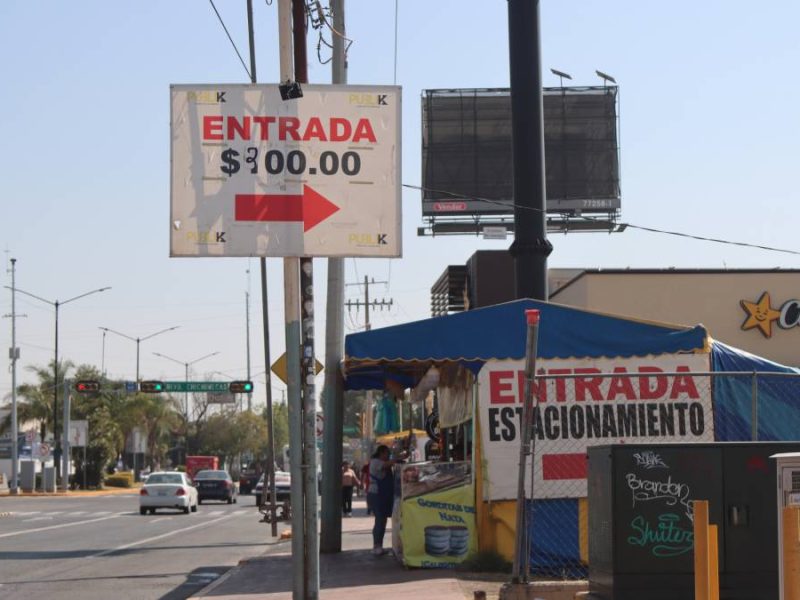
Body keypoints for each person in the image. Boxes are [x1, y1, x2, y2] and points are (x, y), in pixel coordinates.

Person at [367, 445, 404, 556]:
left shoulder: (383, 461)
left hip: (383, 495)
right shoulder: (375, 462)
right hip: (376, 494)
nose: (388, 456)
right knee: (379, 520)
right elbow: (387, 464)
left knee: (382, 521)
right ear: (382, 452)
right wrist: (397, 458)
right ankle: (376, 546)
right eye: (387, 453)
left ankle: (379, 546)